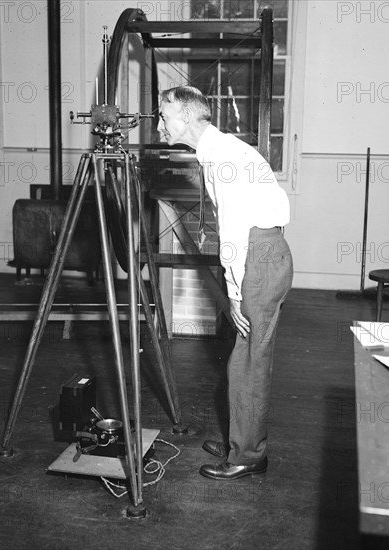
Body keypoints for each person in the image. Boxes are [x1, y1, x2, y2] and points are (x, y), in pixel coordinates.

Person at [157, 86, 293, 480]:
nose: (160, 123)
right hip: (263, 251)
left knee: (250, 362)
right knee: (244, 359)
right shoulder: (220, 152)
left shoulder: (225, 159)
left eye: (164, 115)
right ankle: (242, 441)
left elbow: (233, 233)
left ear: (184, 117)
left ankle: (248, 456)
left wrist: (234, 294)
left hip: (258, 256)